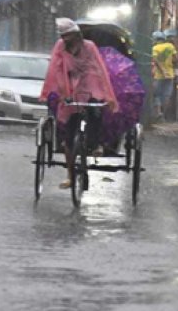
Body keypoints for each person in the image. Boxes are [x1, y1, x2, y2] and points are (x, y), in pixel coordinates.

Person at [40, 18, 119, 190]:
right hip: (70, 86)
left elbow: (98, 69)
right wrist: (63, 92)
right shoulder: (60, 46)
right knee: (69, 138)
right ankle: (70, 175)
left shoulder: (89, 46)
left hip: (90, 83)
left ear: (77, 35)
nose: (67, 39)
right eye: (64, 36)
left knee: (95, 111)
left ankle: (97, 143)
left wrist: (105, 94)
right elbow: (56, 68)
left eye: (69, 36)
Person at [151, 31, 177, 121]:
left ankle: (158, 113)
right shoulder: (170, 46)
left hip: (158, 76)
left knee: (156, 95)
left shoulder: (154, 48)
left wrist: (162, 70)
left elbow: (155, 60)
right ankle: (163, 115)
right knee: (166, 96)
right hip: (170, 75)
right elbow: (176, 59)